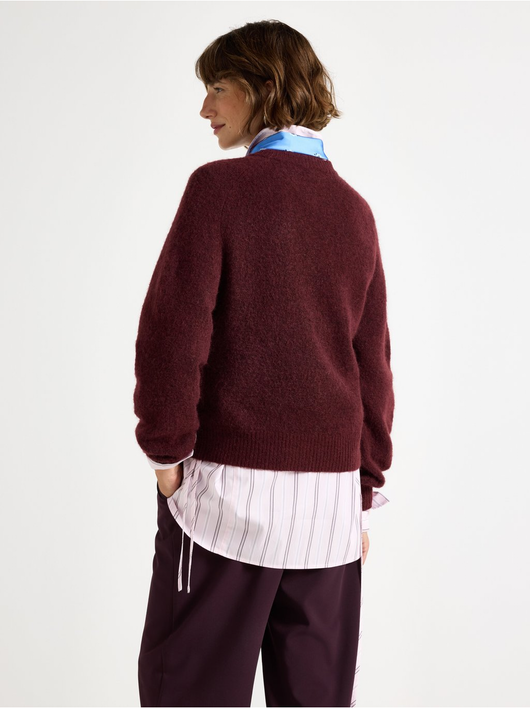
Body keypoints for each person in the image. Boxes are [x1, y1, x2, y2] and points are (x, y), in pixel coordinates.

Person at [133, 19, 394, 708]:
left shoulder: (218, 190)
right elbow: (373, 363)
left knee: (188, 692)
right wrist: (363, 491)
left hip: (225, 498)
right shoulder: (355, 211)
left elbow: (170, 335)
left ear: (262, 88)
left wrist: (166, 457)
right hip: (328, 511)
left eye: (217, 88)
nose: (205, 108)